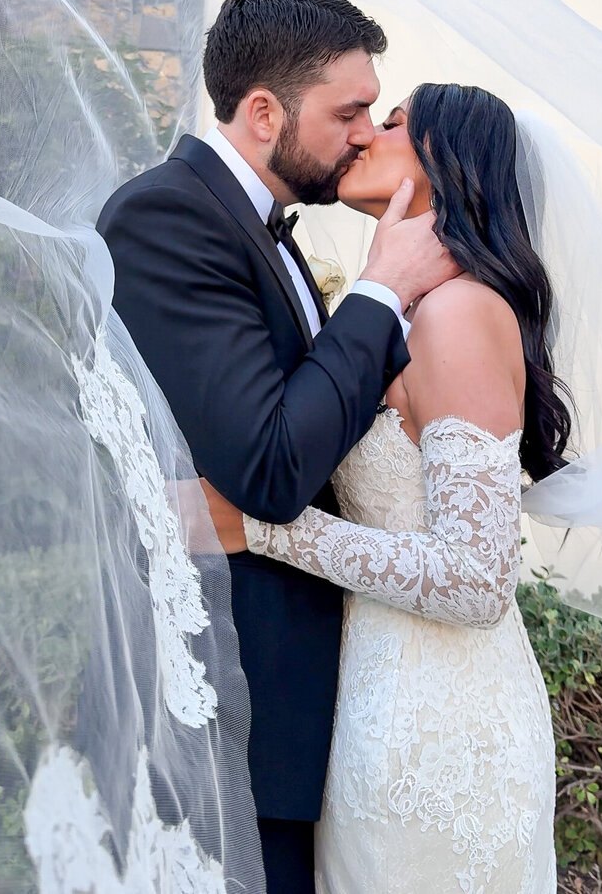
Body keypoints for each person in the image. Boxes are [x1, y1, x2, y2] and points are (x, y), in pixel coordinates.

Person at [96, 0, 459, 894]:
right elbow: (270, 464)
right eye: (349, 111)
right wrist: (379, 291)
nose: (366, 132)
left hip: (293, 723)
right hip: (225, 717)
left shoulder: (269, 231)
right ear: (264, 112)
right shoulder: (168, 217)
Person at [209, 83, 569, 893]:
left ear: (448, 162)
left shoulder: (459, 313)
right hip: (374, 707)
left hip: (446, 731)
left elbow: (477, 579)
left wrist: (262, 529)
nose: (366, 134)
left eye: (395, 122)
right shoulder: (399, 313)